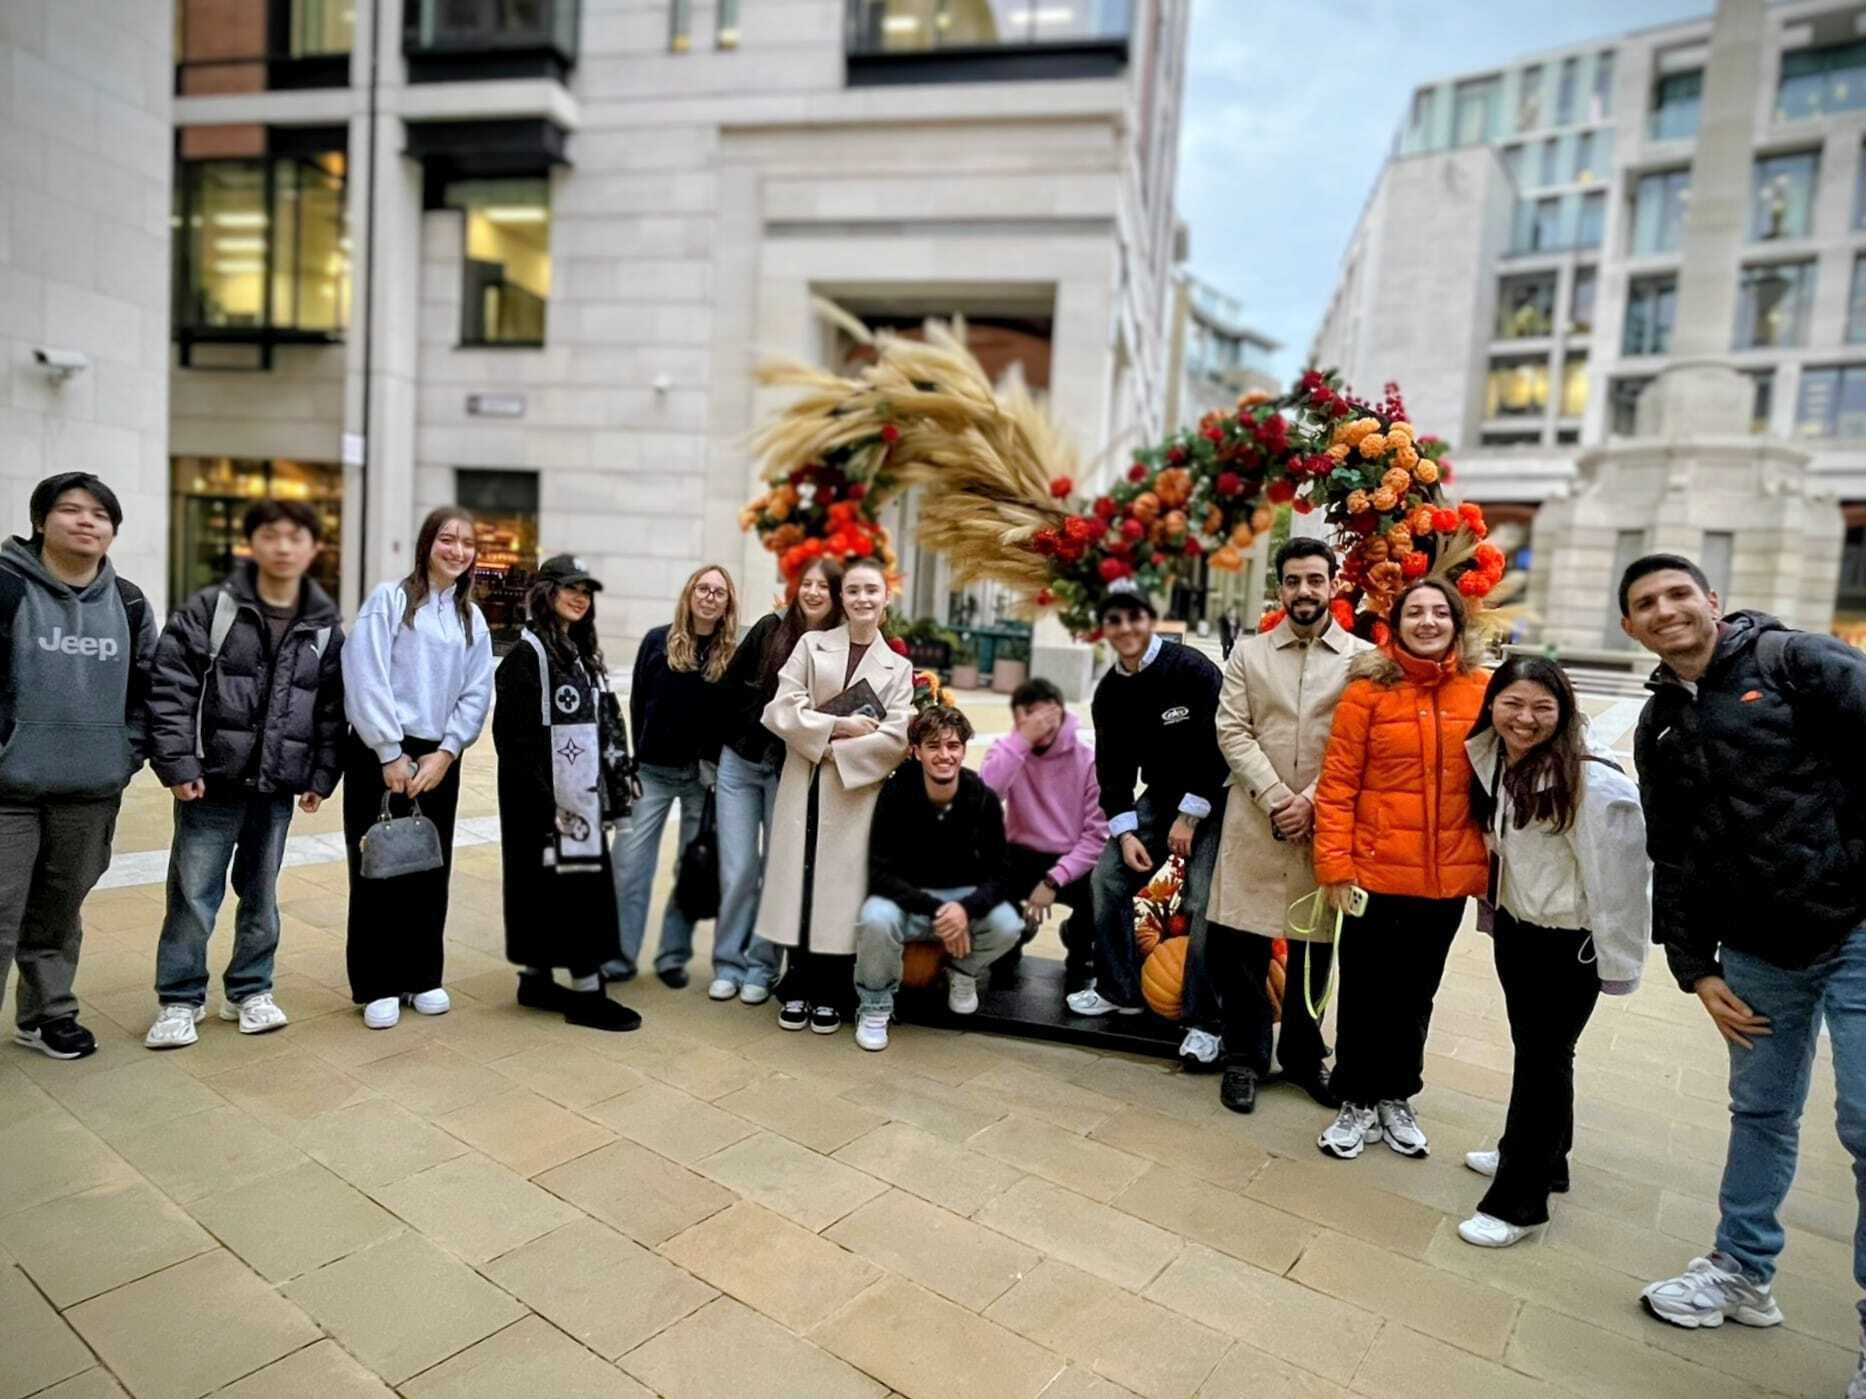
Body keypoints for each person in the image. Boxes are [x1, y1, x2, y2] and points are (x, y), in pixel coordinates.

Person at [1618, 554, 1866, 1383]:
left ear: (1712, 600)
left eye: (1678, 593)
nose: (1666, 609)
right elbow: (1672, 850)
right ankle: (1742, 1270)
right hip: (1757, 952)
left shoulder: (1797, 661)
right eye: (1647, 602)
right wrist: (1694, 966)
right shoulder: (1658, 724)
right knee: (1761, 1110)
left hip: (1857, 928)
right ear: (1631, 627)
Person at [1458, 656, 1648, 1247]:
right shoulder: (1498, 759)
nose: (1525, 718)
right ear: (1492, 704)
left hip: (1569, 948)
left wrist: (1620, 966)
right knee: (1540, 1056)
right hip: (1522, 933)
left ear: (1564, 711)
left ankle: (1519, 1203)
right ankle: (1544, 1158)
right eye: (1513, 703)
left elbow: (1620, 887)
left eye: (1543, 707)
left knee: (1542, 1062)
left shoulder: (1595, 785)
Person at [144, 500, 346, 1049]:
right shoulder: (212, 608)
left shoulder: (324, 627)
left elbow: (331, 709)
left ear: (314, 549)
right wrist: (178, 763)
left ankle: (250, 990)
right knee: (192, 895)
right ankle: (179, 999)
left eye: (296, 537)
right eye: (271, 535)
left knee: (261, 895)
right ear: (250, 543)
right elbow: (170, 687)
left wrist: (320, 776)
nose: (283, 547)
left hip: (276, 786)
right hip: (210, 782)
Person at [1311, 575, 1489, 1160]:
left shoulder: (1482, 690)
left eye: (1440, 612)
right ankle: (1355, 1097)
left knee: (1417, 994)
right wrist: (1335, 867)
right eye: (1416, 612)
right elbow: (1338, 785)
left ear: (1456, 623)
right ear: (1395, 625)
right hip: (1375, 874)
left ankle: (1396, 1094)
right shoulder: (1367, 692)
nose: (1428, 622)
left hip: (1444, 879)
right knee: (1365, 991)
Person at [1202, 539, 1371, 1115]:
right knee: (1240, 944)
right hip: (1256, 818)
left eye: (1315, 579)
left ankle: (1303, 1054)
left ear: (1334, 585)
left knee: (1314, 945)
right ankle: (1244, 1056)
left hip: (1326, 822)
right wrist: (1278, 798)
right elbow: (1232, 730)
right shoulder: (1249, 656)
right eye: (1293, 580)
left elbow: (1359, 743)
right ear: (1280, 588)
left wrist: (1313, 802)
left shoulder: (1362, 660)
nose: (1304, 591)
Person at [0, 473, 156, 1060]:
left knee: (58, 911)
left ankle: (47, 1015)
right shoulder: (6, 586)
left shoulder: (129, 602)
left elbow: (149, 692)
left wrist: (123, 754)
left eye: (101, 515)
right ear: (41, 521)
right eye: (70, 510)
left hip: (90, 789)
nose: (87, 522)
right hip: (7, 790)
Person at [341, 506, 493, 1030]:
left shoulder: (471, 619)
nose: (457, 550)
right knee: (378, 866)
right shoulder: (389, 600)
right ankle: (378, 982)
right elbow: (364, 671)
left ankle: (422, 974)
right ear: (427, 543)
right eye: (448, 539)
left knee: (429, 865)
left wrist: (448, 751)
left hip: (437, 756)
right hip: (380, 749)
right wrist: (388, 751)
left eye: (467, 543)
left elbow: (476, 691)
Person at [1071, 581, 1230, 1074]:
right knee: (1108, 877)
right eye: (1114, 620)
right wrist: (1125, 834)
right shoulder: (1109, 693)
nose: (1125, 629)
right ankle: (1118, 989)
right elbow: (1113, 773)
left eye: (1133, 617)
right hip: (1159, 798)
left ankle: (1205, 1021)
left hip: (1217, 797)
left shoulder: (1193, 670)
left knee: (1202, 901)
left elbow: (1222, 745)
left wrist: (1191, 814)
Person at [759, 555, 913, 1034]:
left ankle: (829, 990)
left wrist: (830, 750)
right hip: (803, 785)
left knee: (840, 889)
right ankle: (797, 983)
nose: (862, 599)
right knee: (800, 882)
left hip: (852, 794)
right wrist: (837, 730)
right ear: (841, 598)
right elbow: (781, 707)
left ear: (886, 598)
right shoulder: (811, 645)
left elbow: (896, 737)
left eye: (871, 590)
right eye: (853, 590)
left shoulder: (899, 667)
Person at [492, 555, 642, 1033]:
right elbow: (513, 742)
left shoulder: (575, 651)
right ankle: (587, 994)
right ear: (546, 591)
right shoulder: (528, 655)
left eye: (586, 590)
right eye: (570, 587)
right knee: (571, 891)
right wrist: (547, 806)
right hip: (547, 802)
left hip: (576, 795)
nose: (580, 597)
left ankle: (536, 980)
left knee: (557, 889)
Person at [710, 557, 842, 1005]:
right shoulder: (770, 629)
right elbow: (727, 691)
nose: (813, 592)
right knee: (739, 869)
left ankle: (761, 968)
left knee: (777, 871)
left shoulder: (838, 646)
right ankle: (728, 963)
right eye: (806, 584)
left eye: (823, 586)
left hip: (790, 772)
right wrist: (716, 754)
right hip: (740, 763)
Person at [853, 705, 1024, 1050]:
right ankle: (875, 1004)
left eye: (953, 746)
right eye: (933, 746)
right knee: (874, 919)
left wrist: (965, 909)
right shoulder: (896, 793)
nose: (945, 755)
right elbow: (880, 873)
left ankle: (962, 971)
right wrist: (937, 909)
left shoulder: (980, 796)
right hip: (907, 901)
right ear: (916, 751)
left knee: (1008, 924)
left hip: (961, 900)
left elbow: (1001, 874)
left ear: (963, 749)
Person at [610, 564, 738, 988]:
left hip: (703, 779)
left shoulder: (731, 654)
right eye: (703, 588)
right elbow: (638, 702)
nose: (709, 597)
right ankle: (618, 956)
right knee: (628, 864)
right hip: (652, 772)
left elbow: (732, 717)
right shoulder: (656, 641)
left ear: (728, 603)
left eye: (719, 592)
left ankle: (672, 955)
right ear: (689, 594)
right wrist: (637, 756)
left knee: (692, 867)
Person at [980, 677, 1106, 996]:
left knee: (1103, 886)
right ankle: (1014, 936)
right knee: (988, 870)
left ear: (1060, 712)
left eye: (1046, 716)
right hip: (1020, 851)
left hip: (1074, 858)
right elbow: (983, 800)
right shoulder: (1009, 750)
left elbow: (1097, 837)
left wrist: (1053, 881)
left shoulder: (1089, 760)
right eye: (1030, 717)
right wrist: (1021, 741)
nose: (1041, 726)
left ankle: (1078, 942)